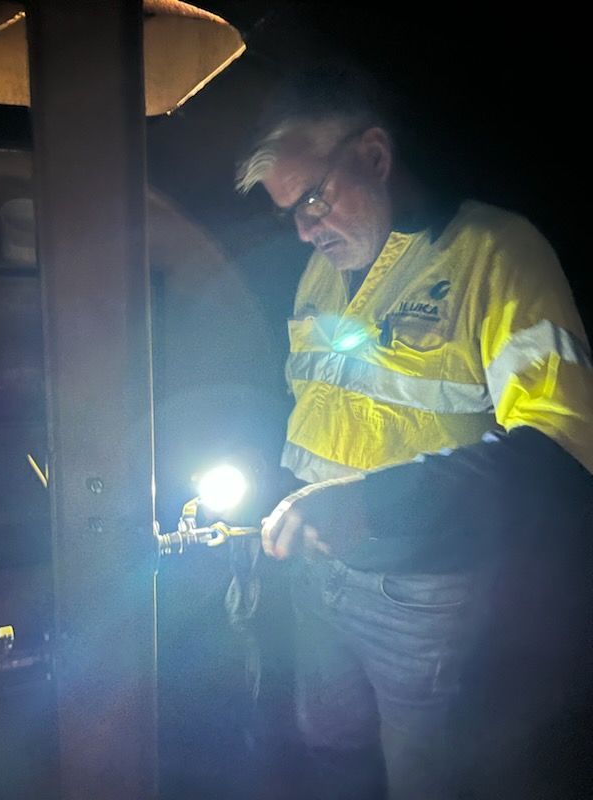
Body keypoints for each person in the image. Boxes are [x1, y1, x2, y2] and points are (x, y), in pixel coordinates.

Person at [234, 62, 593, 799]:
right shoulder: (322, 272)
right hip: (317, 577)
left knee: (430, 779)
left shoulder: (495, 253)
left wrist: (373, 502)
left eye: (311, 199)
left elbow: (564, 445)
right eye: (289, 213)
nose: (303, 229)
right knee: (330, 753)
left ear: (373, 156)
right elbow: (324, 407)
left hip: (426, 599)